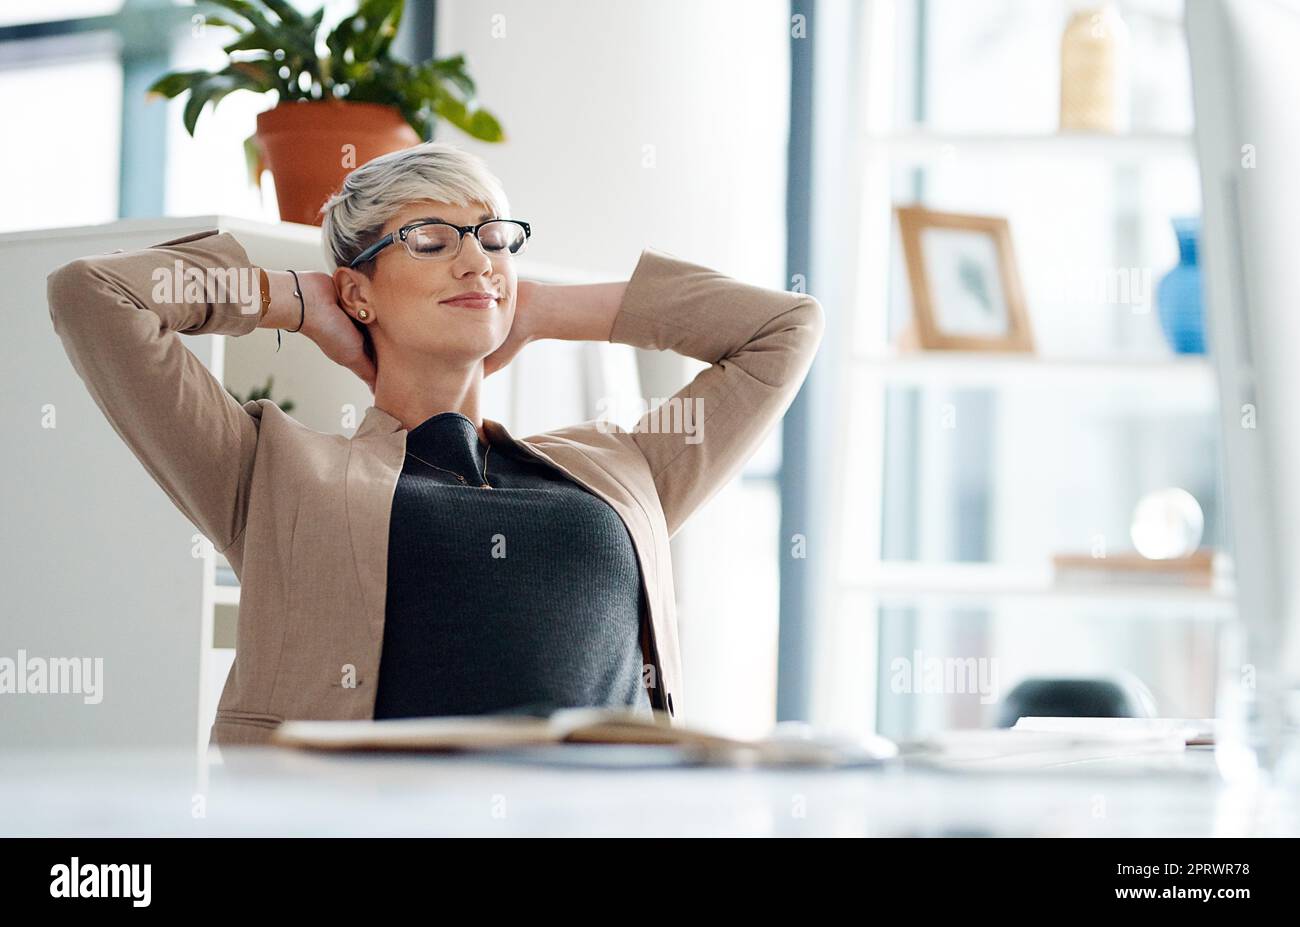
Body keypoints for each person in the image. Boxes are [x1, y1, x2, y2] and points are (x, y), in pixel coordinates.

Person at [46, 141, 825, 747]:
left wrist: (544, 304)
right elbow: (94, 296)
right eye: (429, 238)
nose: (475, 258)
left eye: (492, 237)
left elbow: (783, 330)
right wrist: (290, 299)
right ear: (358, 291)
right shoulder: (275, 475)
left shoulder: (623, 469)